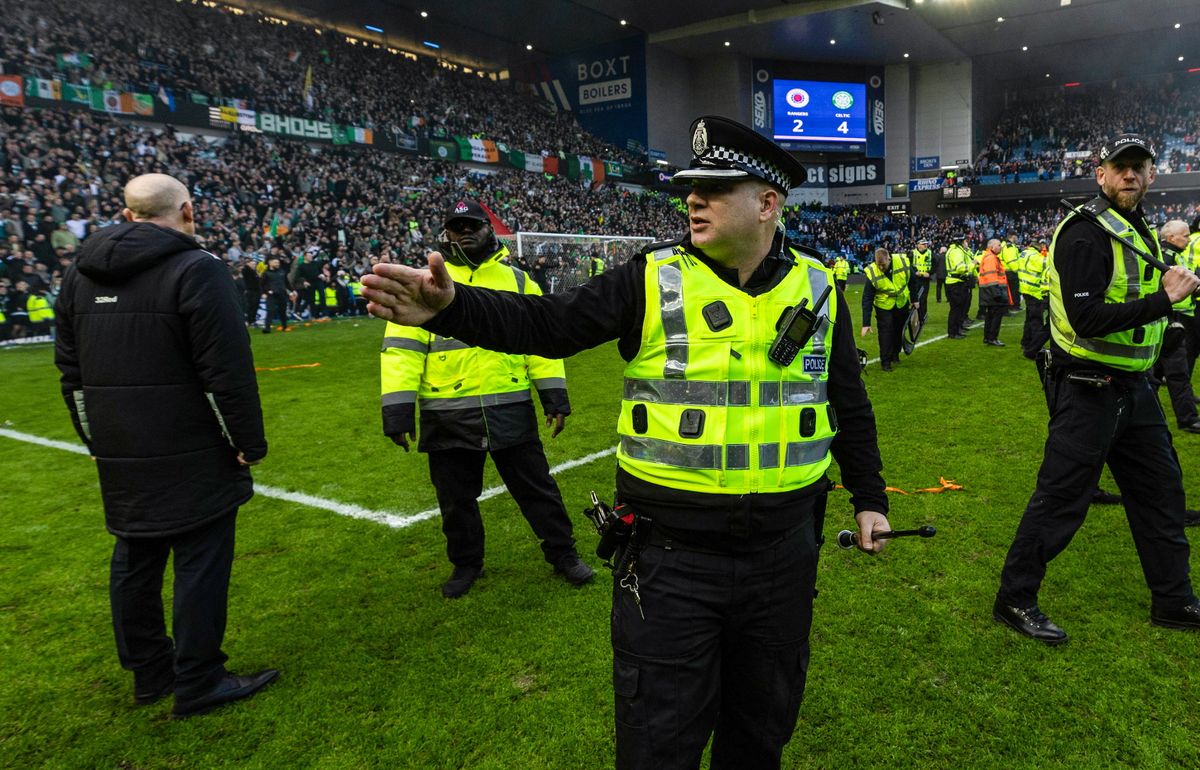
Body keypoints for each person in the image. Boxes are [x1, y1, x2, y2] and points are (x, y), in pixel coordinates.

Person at [363, 116, 890, 770]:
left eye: (714, 188)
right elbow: (549, 325)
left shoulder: (819, 287)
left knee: (759, 738)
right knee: (657, 746)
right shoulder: (651, 276)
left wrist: (870, 497)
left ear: (767, 203)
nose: (692, 199)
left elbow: (848, 401)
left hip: (784, 559)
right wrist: (452, 308)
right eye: (691, 188)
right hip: (671, 564)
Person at [53, 173, 278, 717]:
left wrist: (94, 438)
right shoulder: (198, 269)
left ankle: (151, 674)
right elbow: (227, 371)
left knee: (136, 552)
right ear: (188, 210)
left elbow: (71, 373)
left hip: (119, 447)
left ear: (128, 215)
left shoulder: (79, 274)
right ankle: (199, 679)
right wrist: (247, 441)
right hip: (190, 444)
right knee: (200, 556)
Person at [994, 135, 1200, 645]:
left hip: (1133, 387)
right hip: (1088, 388)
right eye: (1120, 167)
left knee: (1161, 494)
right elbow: (1087, 319)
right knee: (1062, 500)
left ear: (1152, 176)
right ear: (1101, 174)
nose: (1130, 174)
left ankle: (1173, 599)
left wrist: (1163, 325)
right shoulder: (1085, 233)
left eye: (1139, 167)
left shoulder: (1136, 229)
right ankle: (1014, 598)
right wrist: (1164, 302)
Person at [379, 199, 593, 599]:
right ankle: (466, 564)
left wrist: (554, 396)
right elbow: (402, 348)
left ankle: (564, 554)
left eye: (472, 224)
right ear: (446, 233)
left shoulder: (518, 279)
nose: (464, 232)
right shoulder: (425, 281)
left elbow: (540, 341)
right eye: (456, 226)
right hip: (447, 412)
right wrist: (397, 408)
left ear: (489, 227)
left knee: (538, 490)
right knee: (456, 501)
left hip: (509, 406)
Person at [1154, 220, 1200, 433]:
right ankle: (1188, 419)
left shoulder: (1173, 254)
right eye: (1184, 235)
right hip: (1172, 318)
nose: (1188, 238)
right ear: (1171, 237)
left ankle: (1150, 413)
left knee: (1156, 371)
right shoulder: (1166, 258)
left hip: (1178, 317)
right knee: (1177, 370)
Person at [861, 246, 912, 371]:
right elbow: (867, 298)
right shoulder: (872, 272)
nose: (881, 268)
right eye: (879, 266)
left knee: (899, 329)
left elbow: (912, 280)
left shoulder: (902, 261)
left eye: (883, 265)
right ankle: (886, 362)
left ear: (889, 259)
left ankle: (895, 354)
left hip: (901, 302)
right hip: (883, 306)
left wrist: (915, 300)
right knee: (885, 332)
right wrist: (866, 323)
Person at [1018, 238, 1050, 359]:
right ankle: (1035, 347)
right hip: (1034, 290)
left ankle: (1026, 342)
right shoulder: (1036, 256)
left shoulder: (1024, 252)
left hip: (1025, 289)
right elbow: (1047, 265)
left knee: (1029, 318)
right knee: (1037, 320)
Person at [976, 238, 1010, 347]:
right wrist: (997, 293)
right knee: (995, 316)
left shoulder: (988, 256)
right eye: (999, 245)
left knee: (990, 316)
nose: (1001, 247)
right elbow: (991, 277)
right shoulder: (991, 258)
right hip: (994, 291)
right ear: (992, 247)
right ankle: (992, 338)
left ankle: (988, 338)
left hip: (988, 291)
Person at [944, 234, 973, 338]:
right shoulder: (956, 251)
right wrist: (972, 264)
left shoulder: (955, 250)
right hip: (956, 283)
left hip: (955, 282)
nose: (967, 242)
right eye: (965, 240)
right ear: (961, 241)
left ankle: (956, 330)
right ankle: (953, 332)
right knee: (956, 309)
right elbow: (960, 268)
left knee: (958, 309)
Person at [260, 256, 290, 333]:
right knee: (270, 310)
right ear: (270, 263)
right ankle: (267, 328)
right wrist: (265, 292)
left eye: (278, 263)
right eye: (275, 262)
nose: (277, 264)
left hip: (282, 294)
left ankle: (284, 326)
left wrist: (292, 290)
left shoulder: (282, 272)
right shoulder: (266, 273)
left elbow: (286, 282)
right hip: (271, 295)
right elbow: (261, 284)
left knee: (282, 311)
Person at [910, 238, 933, 325]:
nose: (925, 245)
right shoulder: (912, 253)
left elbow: (935, 264)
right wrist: (914, 271)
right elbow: (909, 264)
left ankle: (922, 317)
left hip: (925, 279)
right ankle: (916, 317)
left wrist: (930, 273)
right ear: (918, 245)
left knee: (923, 299)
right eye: (923, 244)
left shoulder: (930, 253)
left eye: (926, 244)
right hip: (915, 279)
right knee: (915, 298)